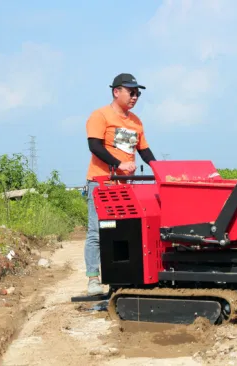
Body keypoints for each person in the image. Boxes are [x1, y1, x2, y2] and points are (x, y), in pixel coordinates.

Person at [84, 73, 156, 295]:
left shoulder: (135, 121)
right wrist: (118, 165)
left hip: (126, 185)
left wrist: (160, 169)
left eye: (138, 93)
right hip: (101, 183)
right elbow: (95, 146)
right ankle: (93, 280)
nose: (135, 97)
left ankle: (125, 277)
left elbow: (143, 150)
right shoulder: (100, 116)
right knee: (97, 232)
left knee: (127, 231)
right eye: (131, 92)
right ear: (116, 92)